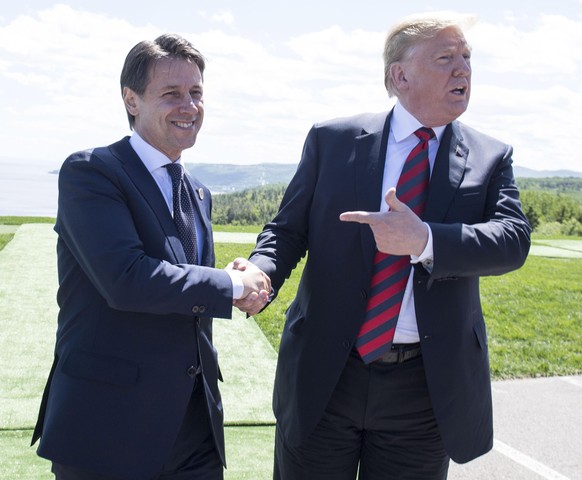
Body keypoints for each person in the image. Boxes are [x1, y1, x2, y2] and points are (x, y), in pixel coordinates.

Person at [234, 12, 531, 479]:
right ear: (400, 75)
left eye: (467, 58)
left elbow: (512, 240)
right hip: (326, 376)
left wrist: (427, 240)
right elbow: (288, 229)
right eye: (446, 58)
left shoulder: (489, 155)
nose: (464, 70)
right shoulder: (333, 141)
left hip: (424, 388)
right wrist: (261, 271)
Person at [31, 33, 270, 480]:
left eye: (196, 93)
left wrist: (231, 279)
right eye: (172, 94)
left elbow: (187, 284)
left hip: (194, 430)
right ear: (132, 99)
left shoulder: (197, 191)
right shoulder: (92, 172)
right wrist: (232, 285)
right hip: (107, 428)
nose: (189, 106)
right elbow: (127, 278)